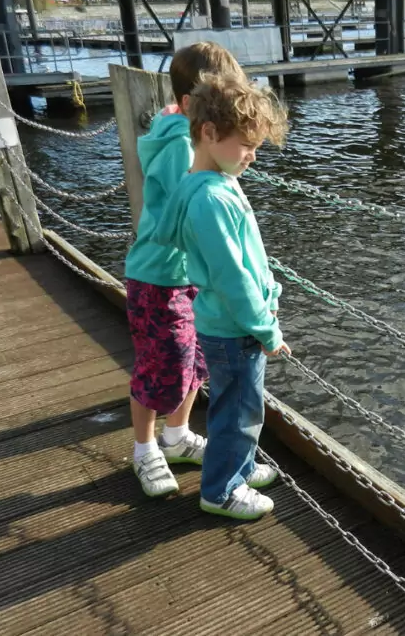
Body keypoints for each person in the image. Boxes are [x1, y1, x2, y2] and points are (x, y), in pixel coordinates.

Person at [154, 72, 290, 520]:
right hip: (235, 330)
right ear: (210, 134)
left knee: (242, 408)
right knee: (237, 415)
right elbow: (232, 277)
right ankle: (221, 491)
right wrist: (266, 329)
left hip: (229, 325)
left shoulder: (212, 181)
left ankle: (241, 468)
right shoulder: (211, 198)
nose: (252, 156)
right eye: (246, 145)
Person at [123, 42, 243, 498]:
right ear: (192, 105)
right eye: (221, 99)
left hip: (186, 275)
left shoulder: (195, 136)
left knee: (194, 361)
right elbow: (186, 213)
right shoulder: (179, 144)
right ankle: (145, 447)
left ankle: (176, 436)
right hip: (160, 276)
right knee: (161, 364)